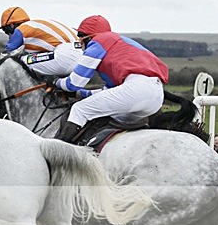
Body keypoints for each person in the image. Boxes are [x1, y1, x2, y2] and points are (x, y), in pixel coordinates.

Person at [53, 15, 169, 143]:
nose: (79, 41)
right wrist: (80, 94)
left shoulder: (98, 41)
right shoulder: (118, 45)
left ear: (89, 37)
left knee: (79, 109)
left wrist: (55, 82)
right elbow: (109, 93)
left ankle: (58, 150)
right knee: (105, 118)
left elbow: (74, 83)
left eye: (80, 35)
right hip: (156, 97)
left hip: (137, 90)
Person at [0, 6, 82, 77]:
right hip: (81, 57)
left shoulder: (22, 29)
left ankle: (46, 85)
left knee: (20, 61)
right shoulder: (38, 24)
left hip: (66, 56)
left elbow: (5, 55)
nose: (8, 35)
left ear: (11, 25)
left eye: (5, 30)